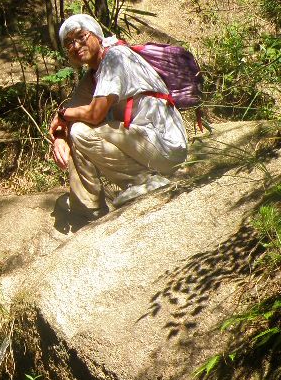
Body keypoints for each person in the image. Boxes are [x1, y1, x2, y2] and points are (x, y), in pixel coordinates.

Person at [47, 13, 187, 223]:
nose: (76, 45)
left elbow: (93, 115)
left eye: (81, 37)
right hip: (145, 142)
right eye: (69, 43)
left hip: (165, 145)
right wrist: (59, 137)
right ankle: (87, 209)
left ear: (96, 34)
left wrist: (62, 116)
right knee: (76, 130)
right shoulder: (92, 76)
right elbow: (72, 113)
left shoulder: (115, 57)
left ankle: (144, 181)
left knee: (80, 131)